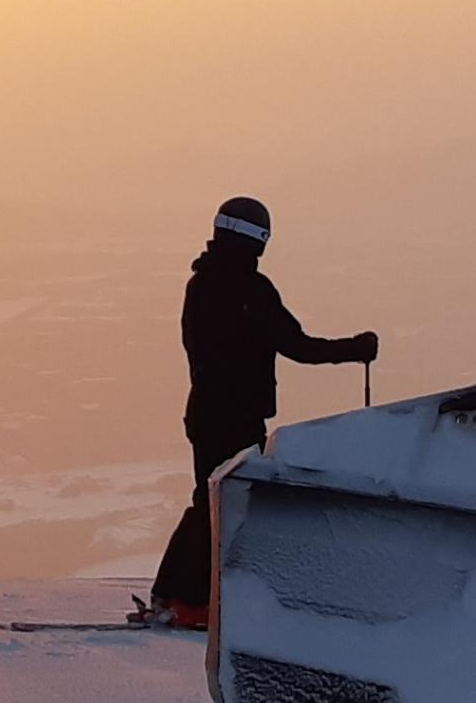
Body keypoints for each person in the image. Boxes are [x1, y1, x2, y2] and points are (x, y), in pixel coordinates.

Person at [144, 196, 375, 630]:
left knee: (208, 501)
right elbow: (298, 346)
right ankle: (188, 601)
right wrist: (354, 349)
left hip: (205, 415)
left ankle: (177, 595)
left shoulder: (201, 285)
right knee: (223, 506)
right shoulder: (250, 289)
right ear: (259, 239)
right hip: (237, 417)